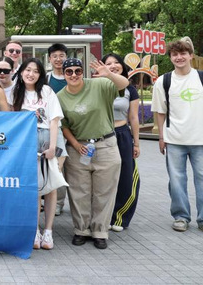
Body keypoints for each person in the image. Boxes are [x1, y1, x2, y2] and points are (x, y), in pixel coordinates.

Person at [152, 37, 203, 237]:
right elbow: (160, 112)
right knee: (176, 181)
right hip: (174, 140)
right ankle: (181, 217)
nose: (179, 57)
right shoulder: (164, 81)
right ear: (170, 57)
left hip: (202, 140)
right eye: (175, 54)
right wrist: (161, 137)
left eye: (183, 53)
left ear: (191, 55)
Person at [57, 58, 128, 250]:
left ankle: (100, 231)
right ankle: (81, 229)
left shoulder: (100, 85)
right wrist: (74, 144)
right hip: (78, 148)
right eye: (69, 71)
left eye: (78, 71)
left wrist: (109, 74)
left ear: (83, 72)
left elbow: (124, 84)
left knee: (104, 192)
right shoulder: (60, 97)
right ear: (63, 74)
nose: (73, 75)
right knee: (79, 192)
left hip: (105, 145)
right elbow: (63, 125)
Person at [11, 58, 64, 250]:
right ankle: (34, 229)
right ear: (21, 72)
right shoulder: (15, 92)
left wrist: (52, 146)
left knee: (50, 186)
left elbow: (54, 120)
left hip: (46, 138)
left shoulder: (47, 91)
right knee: (32, 187)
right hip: (25, 142)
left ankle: (48, 231)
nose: (30, 74)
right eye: (27, 70)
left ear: (40, 74)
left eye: (35, 71)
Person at [102, 53, 141, 232]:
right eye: (108, 63)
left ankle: (119, 217)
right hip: (102, 135)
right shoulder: (98, 85)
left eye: (116, 62)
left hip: (122, 135)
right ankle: (103, 215)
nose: (113, 65)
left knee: (127, 176)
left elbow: (133, 117)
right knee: (103, 177)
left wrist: (136, 143)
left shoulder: (129, 89)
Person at [46, 43, 68, 216]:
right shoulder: (46, 79)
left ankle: (61, 200)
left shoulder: (72, 76)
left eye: (61, 56)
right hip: (54, 128)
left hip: (73, 127)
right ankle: (56, 202)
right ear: (50, 59)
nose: (58, 59)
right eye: (55, 56)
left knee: (68, 167)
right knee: (55, 165)